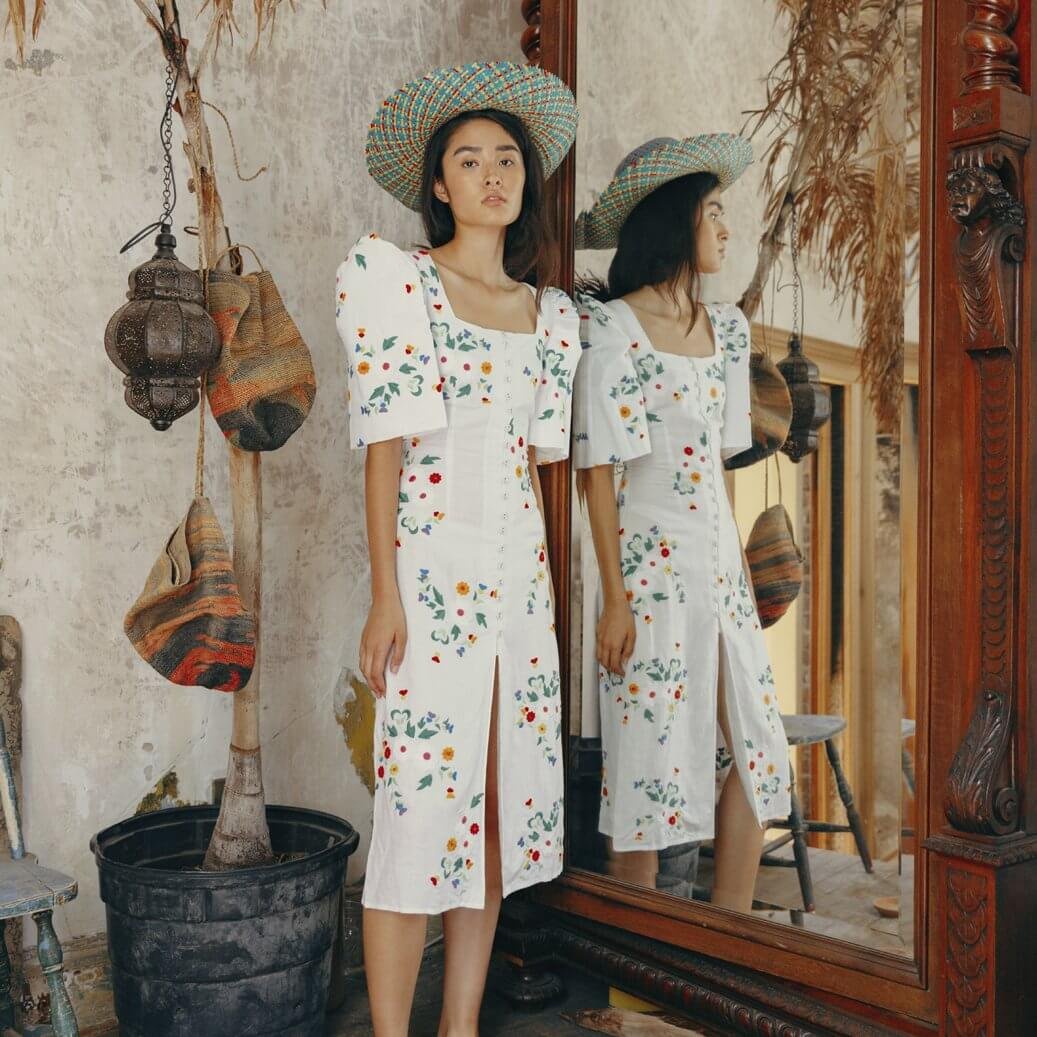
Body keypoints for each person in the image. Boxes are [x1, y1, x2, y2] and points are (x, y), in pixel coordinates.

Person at [335, 61, 580, 1036]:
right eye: (469, 160)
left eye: (506, 158)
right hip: (431, 575)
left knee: (495, 808)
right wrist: (384, 595)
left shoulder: (550, 314)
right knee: (417, 812)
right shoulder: (399, 282)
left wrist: (547, 603)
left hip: (518, 588)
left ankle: (460, 1024)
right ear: (438, 184)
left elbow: (535, 469)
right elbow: (384, 452)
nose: (491, 174)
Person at [572, 134, 791, 911]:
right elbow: (596, 472)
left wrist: (735, 578)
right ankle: (635, 956)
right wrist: (614, 598)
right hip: (647, 570)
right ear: (674, 219)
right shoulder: (611, 328)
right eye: (714, 211)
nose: (726, 228)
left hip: (719, 569)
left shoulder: (727, 328)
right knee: (647, 760)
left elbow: (716, 465)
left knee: (758, 751)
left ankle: (726, 939)